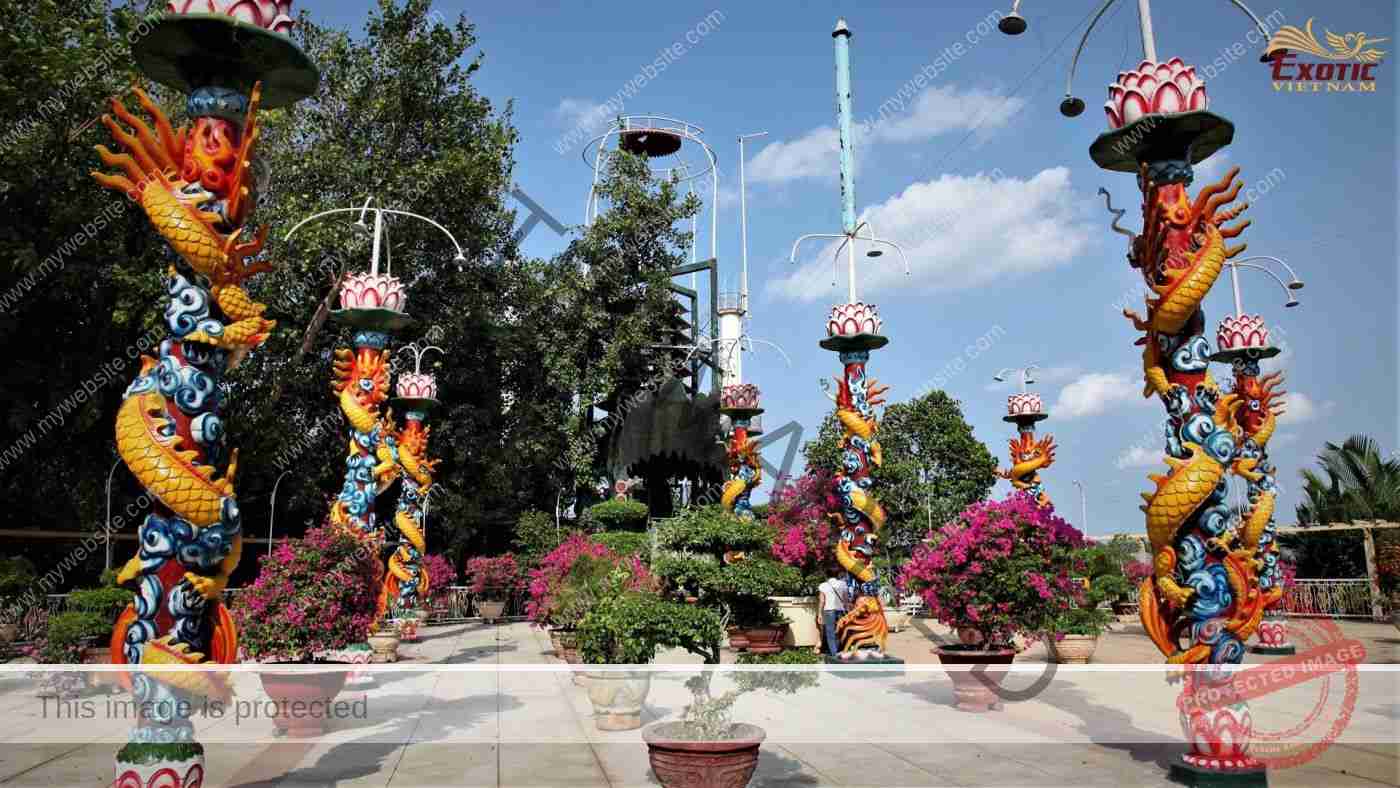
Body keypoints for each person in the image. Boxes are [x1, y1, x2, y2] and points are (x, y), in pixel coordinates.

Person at [817, 567, 851, 656]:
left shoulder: (823, 585)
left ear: (827, 575)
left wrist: (819, 614)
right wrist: (848, 611)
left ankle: (834, 654)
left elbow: (822, 601)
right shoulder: (843, 584)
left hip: (829, 611)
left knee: (830, 633)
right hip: (840, 611)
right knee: (839, 632)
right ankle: (838, 651)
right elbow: (846, 600)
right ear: (837, 575)